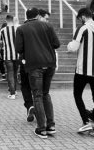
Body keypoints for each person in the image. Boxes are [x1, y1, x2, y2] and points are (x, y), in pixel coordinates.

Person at [15, 8, 60, 139]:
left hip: (34, 65)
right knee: (46, 94)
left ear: (27, 16)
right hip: (50, 63)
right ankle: (51, 126)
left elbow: (19, 48)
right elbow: (56, 44)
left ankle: (41, 128)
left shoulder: (22, 29)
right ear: (38, 15)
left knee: (37, 95)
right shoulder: (47, 26)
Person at [67, 8, 94, 139]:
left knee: (77, 94)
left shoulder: (83, 29)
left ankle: (86, 120)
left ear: (83, 17)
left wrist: (68, 46)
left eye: (80, 18)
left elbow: (73, 47)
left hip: (82, 70)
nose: (80, 21)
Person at [0, 15, 19, 100]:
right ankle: (15, 90)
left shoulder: (2, 30)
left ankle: (12, 93)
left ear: (6, 21)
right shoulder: (18, 29)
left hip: (7, 55)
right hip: (17, 55)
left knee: (10, 73)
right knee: (15, 73)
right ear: (13, 20)